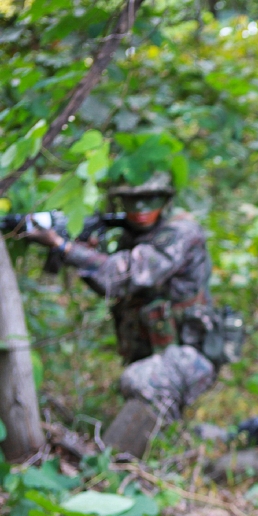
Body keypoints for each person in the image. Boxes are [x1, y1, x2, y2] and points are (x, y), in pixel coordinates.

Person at [24, 172, 220, 456]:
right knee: (168, 429)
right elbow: (109, 287)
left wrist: (64, 246)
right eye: (131, 201)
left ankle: (109, 468)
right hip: (157, 350)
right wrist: (81, 251)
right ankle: (215, 441)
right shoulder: (133, 235)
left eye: (149, 200)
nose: (140, 211)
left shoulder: (182, 231)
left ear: (165, 201)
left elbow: (126, 273)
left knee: (141, 381)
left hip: (192, 354)